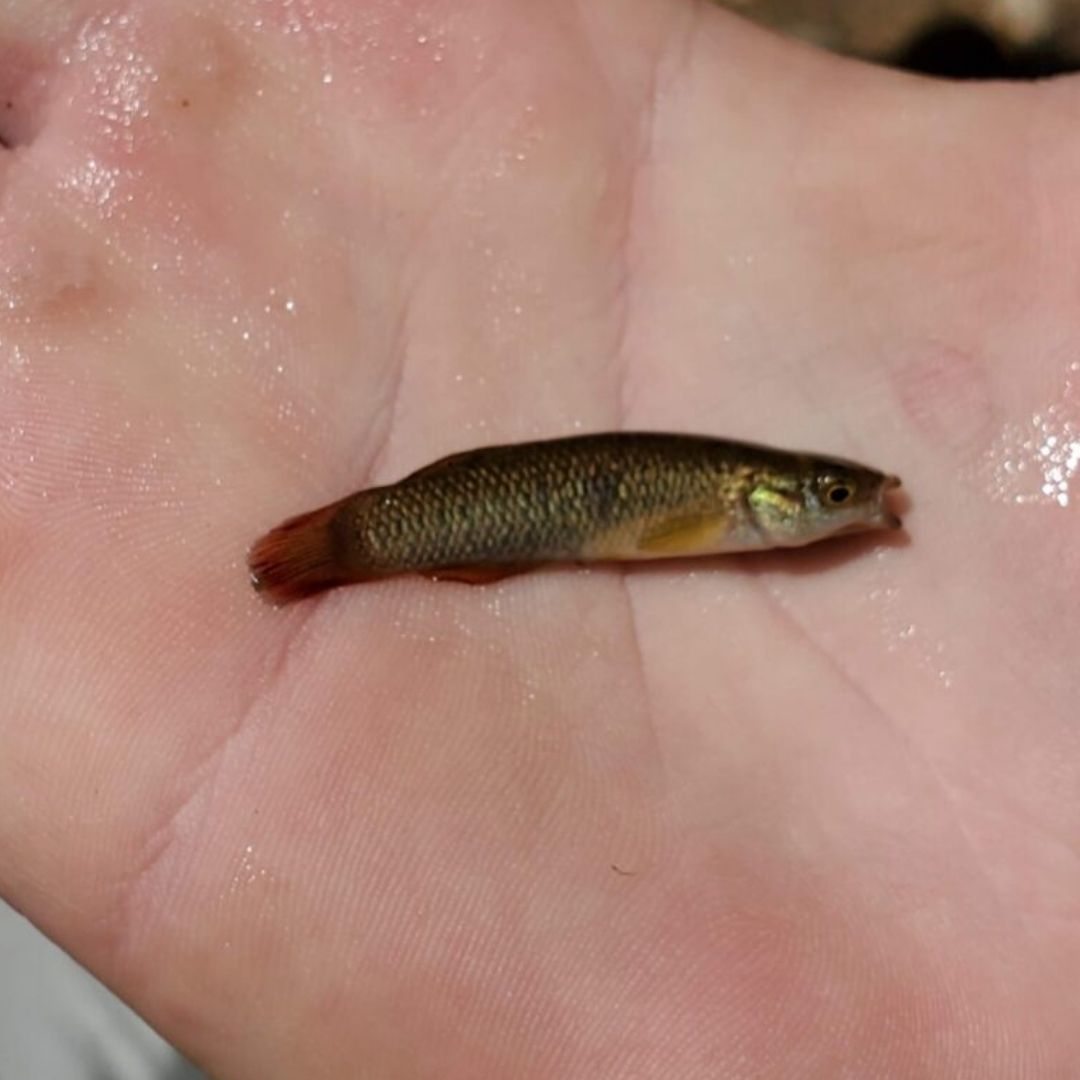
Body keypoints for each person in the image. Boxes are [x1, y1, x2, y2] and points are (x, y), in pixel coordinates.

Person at [1, 0, 1076, 1075]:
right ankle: (339, 547)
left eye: (835, 492)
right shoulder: (735, 504)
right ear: (771, 497)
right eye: (831, 492)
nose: (852, 504)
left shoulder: (763, 512)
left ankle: (349, 545)